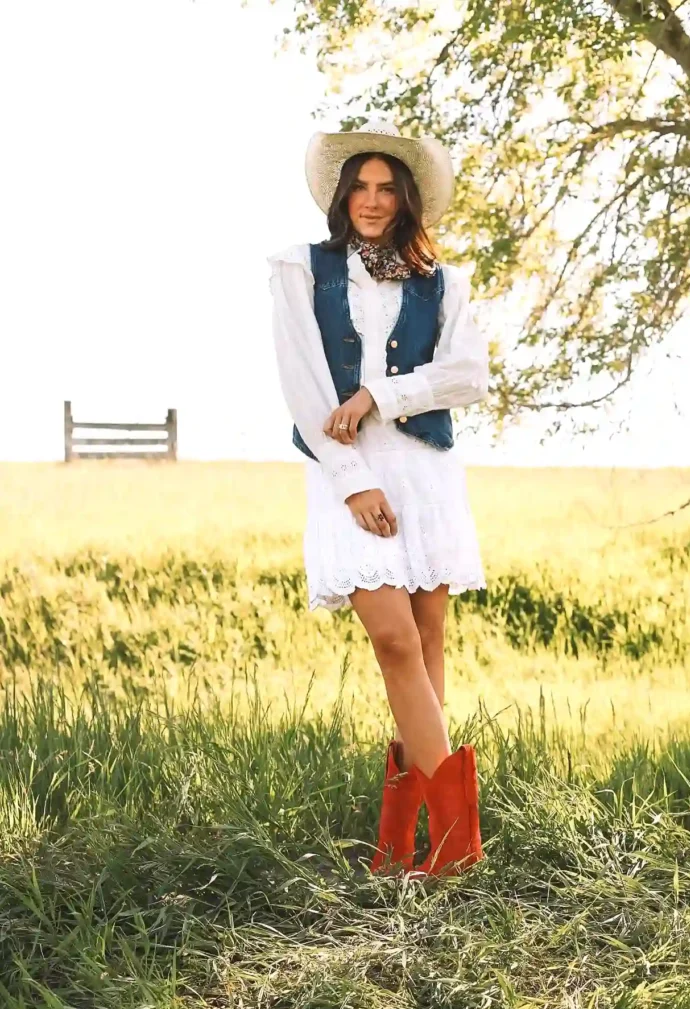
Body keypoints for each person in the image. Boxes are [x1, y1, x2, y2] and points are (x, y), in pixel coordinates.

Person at [267, 118, 489, 877]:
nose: (369, 198)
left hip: (423, 470)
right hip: (345, 471)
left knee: (427, 652)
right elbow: (302, 389)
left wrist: (377, 395)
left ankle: (399, 848)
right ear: (339, 195)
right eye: (357, 186)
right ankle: (459, 850)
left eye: (384, 187)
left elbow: (467, 375)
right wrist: (352, 479)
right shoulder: (300, 269)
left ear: (406, 199)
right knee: (392, 640)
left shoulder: (443, 280)